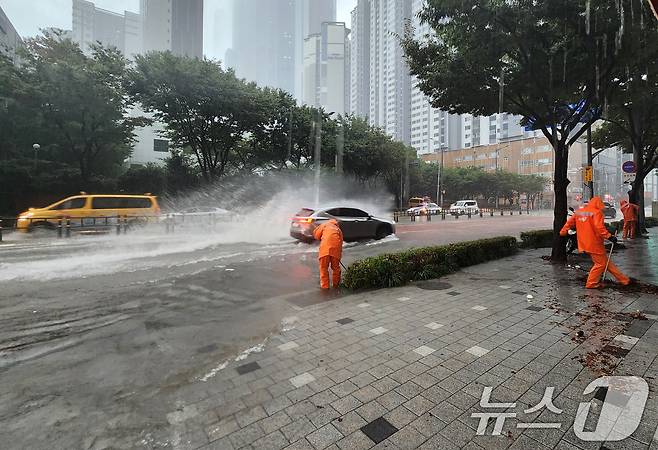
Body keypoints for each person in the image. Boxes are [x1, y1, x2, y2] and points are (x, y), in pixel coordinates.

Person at [560, 196, 630, 289]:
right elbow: (599, 228)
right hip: (594, 243)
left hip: (584, 242)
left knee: (605, 262)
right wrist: (609, 237)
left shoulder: (580, 212)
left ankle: (624, 280)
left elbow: (569, 223)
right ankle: (591, 283)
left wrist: (563, 231)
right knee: (600, 264)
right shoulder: (597, 213)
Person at [313, 219, 344, 290]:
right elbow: (341, 242)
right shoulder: (338, 229)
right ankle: (336, 284)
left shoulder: (324, 225)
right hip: (335, 250)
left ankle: (325, 286)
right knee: (336, 268)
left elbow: (316, 235)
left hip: (325, 250)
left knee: (323, 268)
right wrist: (338, 254)